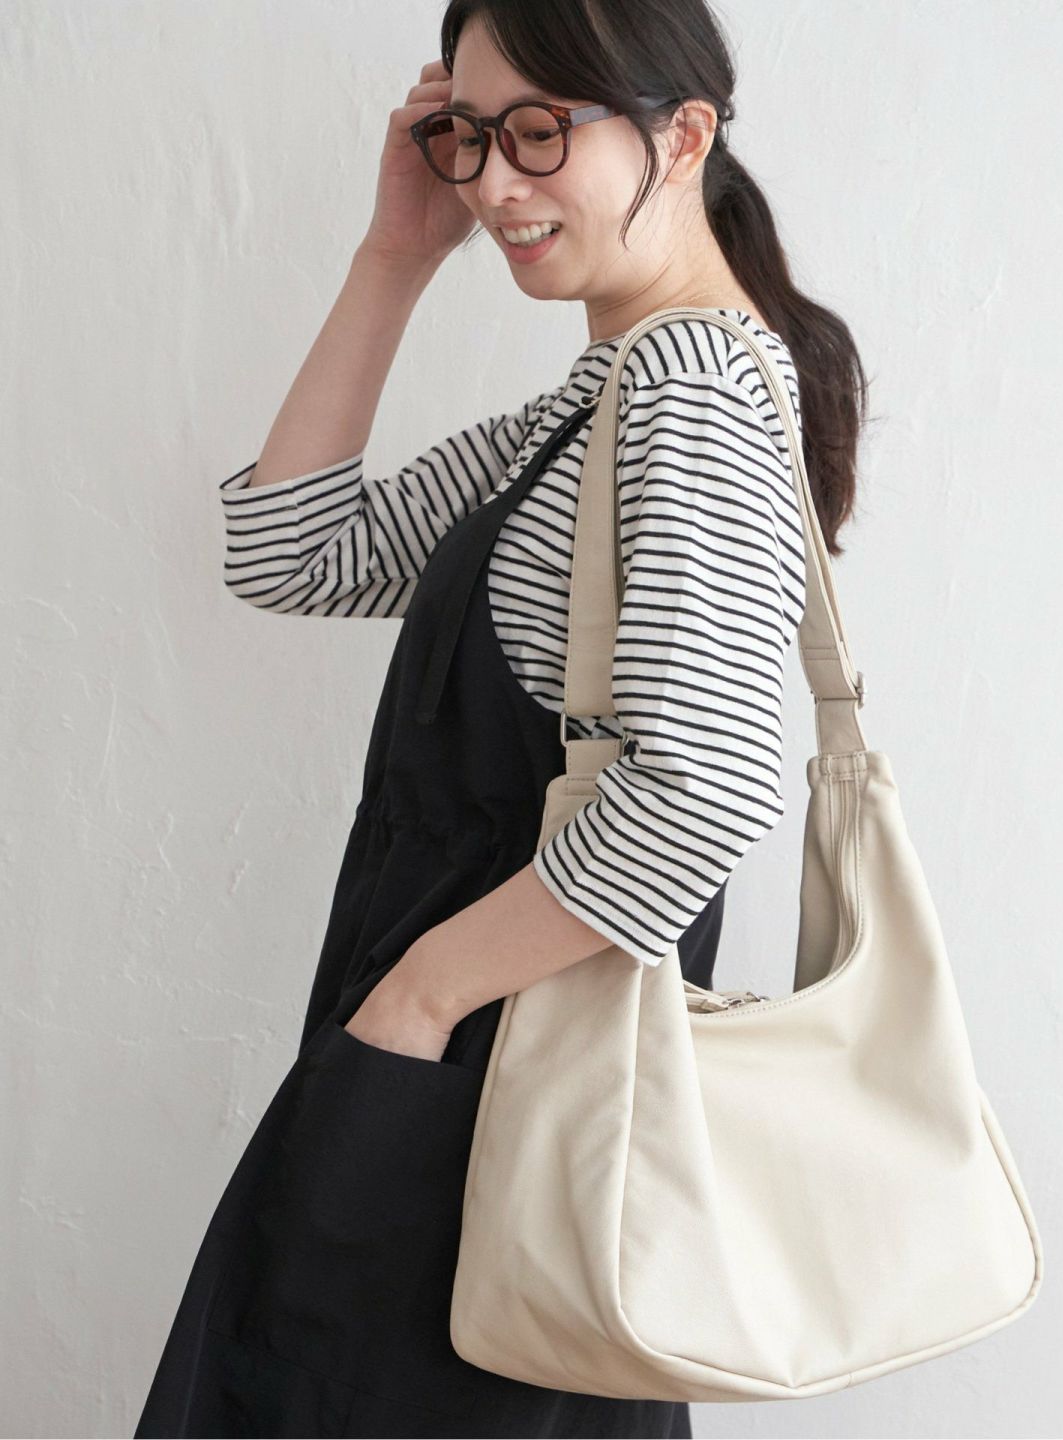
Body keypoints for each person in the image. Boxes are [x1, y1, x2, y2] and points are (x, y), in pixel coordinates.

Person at [135, 1, 867, 1435]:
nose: (492, 182)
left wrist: (416, 1003)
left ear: (683, 136)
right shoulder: (603, 397)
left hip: (495, 1080)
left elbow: (705, 792)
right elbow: (292, 551)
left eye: (539, 132)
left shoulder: (693, 394)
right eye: (467, 137)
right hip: (465, 1077)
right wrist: (395, 255)